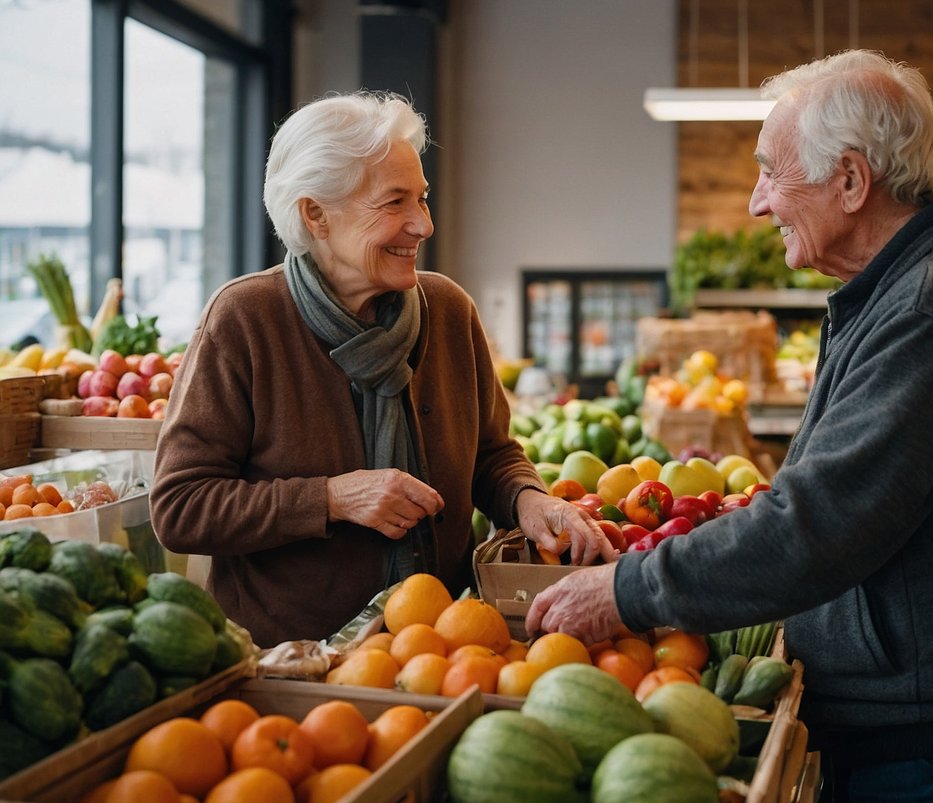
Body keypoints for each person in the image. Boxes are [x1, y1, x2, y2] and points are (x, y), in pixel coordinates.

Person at [526, 50, 933, 803]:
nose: (759, 203)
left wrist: (627, 592)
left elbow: (819, 522)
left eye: (770, 172)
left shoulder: (931, 311)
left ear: (851, 183)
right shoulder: (909, 292)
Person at [151, 91, 614, 648]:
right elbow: (180, 507)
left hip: (445, 642)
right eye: (395, 203)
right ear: (315, 214)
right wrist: (332, 498)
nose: (423, 224)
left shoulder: (449, 311)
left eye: (422, 198)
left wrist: (529, 499)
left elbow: (491, 454)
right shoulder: (244, 320)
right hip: (292, 663)